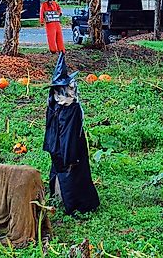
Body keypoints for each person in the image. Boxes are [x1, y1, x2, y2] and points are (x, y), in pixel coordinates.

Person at [43, 53, 99, 214]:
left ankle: (58, 198)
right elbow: (69, 134)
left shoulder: (53, 103)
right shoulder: (71, 108)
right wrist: (71, 156)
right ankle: (76, 205)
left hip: (55, 145)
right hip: (70, 148)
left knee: (60, 170)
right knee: (73, 173)